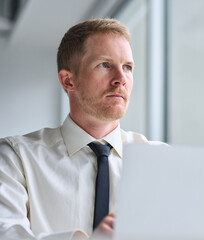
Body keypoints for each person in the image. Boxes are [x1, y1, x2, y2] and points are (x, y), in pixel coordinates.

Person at [0, 18, 163, 240]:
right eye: (105, 65)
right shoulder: (15, 158)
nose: (121, 79)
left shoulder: (161, 161)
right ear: (68, 80)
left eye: (128, 67)